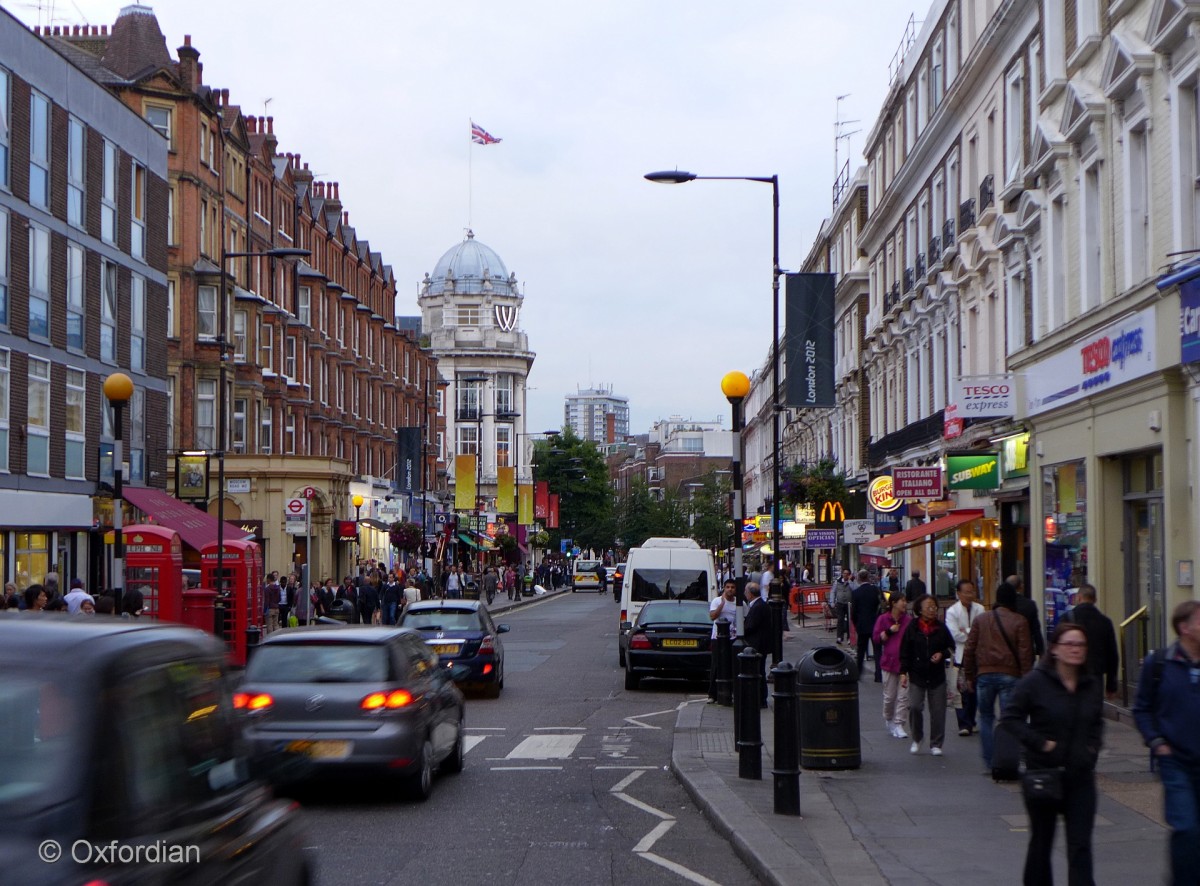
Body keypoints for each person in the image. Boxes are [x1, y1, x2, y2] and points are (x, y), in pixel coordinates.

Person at [1002, 621, 1104, 886]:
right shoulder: (1035, 682)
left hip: (1080, 777)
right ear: (1055, 649)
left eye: (1081, 644)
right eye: (1069, 644)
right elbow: (1010, 718)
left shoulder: (1090, 682)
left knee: (1080, 845)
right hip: (1043, 775)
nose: (1076, 649)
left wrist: (1092, 749)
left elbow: (1096, 722)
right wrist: (1039, 743)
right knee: (1042, 843)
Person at [1133, 599, 1200, 885]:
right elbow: (1141, 707)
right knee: (1186, 826)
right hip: (1176, 761)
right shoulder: (1160, 663)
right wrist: (1157, 742)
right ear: (1184, 628)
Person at [963, 581, 1035, 769]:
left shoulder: (981, 620)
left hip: (984, 675)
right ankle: (1007, 759)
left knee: (986, 717)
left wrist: (969, 675)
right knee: (1009, 718)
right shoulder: (1020, 621)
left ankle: (990, 760)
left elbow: (969, 649)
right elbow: (1025, 654)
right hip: (1010, 676)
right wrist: (1027, 682)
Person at [900, 594, 955, 755]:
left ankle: (936, 743)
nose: (932, 610)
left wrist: (942, 654)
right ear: (920, 610)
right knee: (915, 707)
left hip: (937, 675)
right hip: (917, 673)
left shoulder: (941, 628)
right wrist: (903, 672)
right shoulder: (913, 627)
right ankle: (917, 738)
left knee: (938, 711)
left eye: (934, 607)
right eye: (929, 607)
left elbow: (951, 647)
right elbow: (905, 651)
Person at [1060, 584, 1119, 699]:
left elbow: (1057, 647)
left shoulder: (1067, 619)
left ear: (1078, 598)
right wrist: (1111, 686)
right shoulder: (1105, 622)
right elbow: (1113, 655)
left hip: (1072, 674)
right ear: (1095, 600)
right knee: (1093, 711)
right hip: (1095, 676)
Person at [945, 579, 985, 736]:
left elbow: (982, 631)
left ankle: (971, 720)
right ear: (958, 593)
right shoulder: (952, 611)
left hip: (978, 656)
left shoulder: (980, 609)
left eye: (972, 591)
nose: (970, 595)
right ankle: (964, 723)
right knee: (961, 691)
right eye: (966, 592)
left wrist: (966, 631)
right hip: (961, 655)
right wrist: (971, 633)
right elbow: (955, 634)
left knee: (973, 690)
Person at [874, 593, 912, 739]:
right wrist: (889, 631)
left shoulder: (908, 621)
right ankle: (888, 718)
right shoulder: (883, 619)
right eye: (902, 601)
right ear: (894, 603)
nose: (904, 603)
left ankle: (900, 723)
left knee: (903, 696)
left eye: (905, 600)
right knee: (889, 696)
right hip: (888, 663)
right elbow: (876, 638)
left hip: (904, 664)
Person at [707, 578, 739, 703]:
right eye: (728, 587)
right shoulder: (717, 601)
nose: (730, 589)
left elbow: (743, 619)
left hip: (732, 638)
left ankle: (730, 693)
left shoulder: (739, 603)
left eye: (732, 587)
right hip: (718, 638)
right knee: (716, 666)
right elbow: (712, 616)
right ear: (724, 588)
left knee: (731, 666)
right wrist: (722, 605)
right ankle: (712, 695)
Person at [741, 581, 770, 707]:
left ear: (750, 594)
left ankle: (760, 699)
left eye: (745, 592)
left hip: (757, 644)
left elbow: (751, 626)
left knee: (758, 672)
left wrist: (741, 628)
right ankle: (759, 698)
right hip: (759, 644)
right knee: (759, 672)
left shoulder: (758, 606)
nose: (744, 594)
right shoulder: (759, 604)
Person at [851, 569, 882, 680]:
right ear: (868, 578)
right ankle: (878, 675)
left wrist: (856, 624)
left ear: (859, 578)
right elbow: (881, 606)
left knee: (861, 650)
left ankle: (858, 673)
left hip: (862, 625)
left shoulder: (856, 593)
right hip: (875, 624)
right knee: (878, 651)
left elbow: (853, 612)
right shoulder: (876, 590)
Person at [1008, 573, 1046, 658]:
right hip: (1026, 650)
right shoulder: (1029, 605)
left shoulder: (1001, 606)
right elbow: (1036, 631)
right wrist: (1041, 652)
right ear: (1021, 587)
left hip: (1005, 652)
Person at [832, 568, 853, 645]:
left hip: (849, 604)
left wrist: (850, 581)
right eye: (844, 573)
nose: (845, 575)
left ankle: (849, 638)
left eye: (847, 574)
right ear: (842, 574)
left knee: (849, 621)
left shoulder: (852, 582)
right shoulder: (837, 582)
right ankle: (839, 637)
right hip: (840, 603)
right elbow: (833, 591)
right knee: (840, 620)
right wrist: (832, 602)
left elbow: (855, 589)